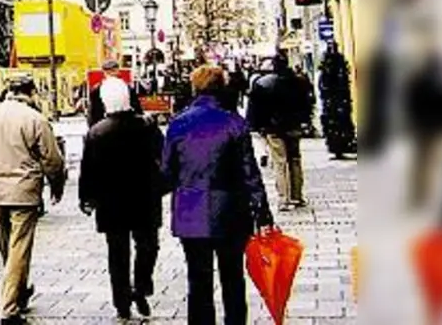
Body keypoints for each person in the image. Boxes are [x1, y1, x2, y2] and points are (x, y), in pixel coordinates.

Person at [163, 65, 274, 325]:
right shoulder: (234, 123)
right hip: (231, 212)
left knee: (198, 280)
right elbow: (250, 173)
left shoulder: (178, 124)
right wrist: (263, 211)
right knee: (233, 277)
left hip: (190, 211)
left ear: (195, 88)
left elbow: (167, 172)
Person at [0, 74, 67, 325]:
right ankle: (9, 309)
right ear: (30, 92)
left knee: (8, 248)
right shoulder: (35, 119)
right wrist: (57, 184)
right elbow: (51, 159)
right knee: (19, 249)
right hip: (25, 193)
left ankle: (19, 293)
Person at [79, 77, 163, 320]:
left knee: (117, 252)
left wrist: (87, 198)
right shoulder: (147, 126)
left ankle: (122, 302)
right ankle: (141, 286)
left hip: (111, 201)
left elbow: (89, 171)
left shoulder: (96, 132)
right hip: (144, 197)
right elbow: (164, 157)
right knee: (148, 245)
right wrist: (163, 185)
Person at [247, 52, 312, 210]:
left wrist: (258, 126)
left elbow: (256, 109)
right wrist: (305, 121)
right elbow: (307, 103)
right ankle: (297, 196)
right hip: (293, 127)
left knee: (279, 162)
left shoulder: (263, 83)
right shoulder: (299, 82)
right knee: (295, 160)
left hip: (273, 128)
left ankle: (284, 199)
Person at [405, 50, 442, 210]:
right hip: (436, 128)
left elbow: (410, 102)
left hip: (420, 126)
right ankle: (425, 194)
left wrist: (413, 120)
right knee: (431, 162)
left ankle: (416, 193)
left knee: (419, 161)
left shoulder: (417, 80)